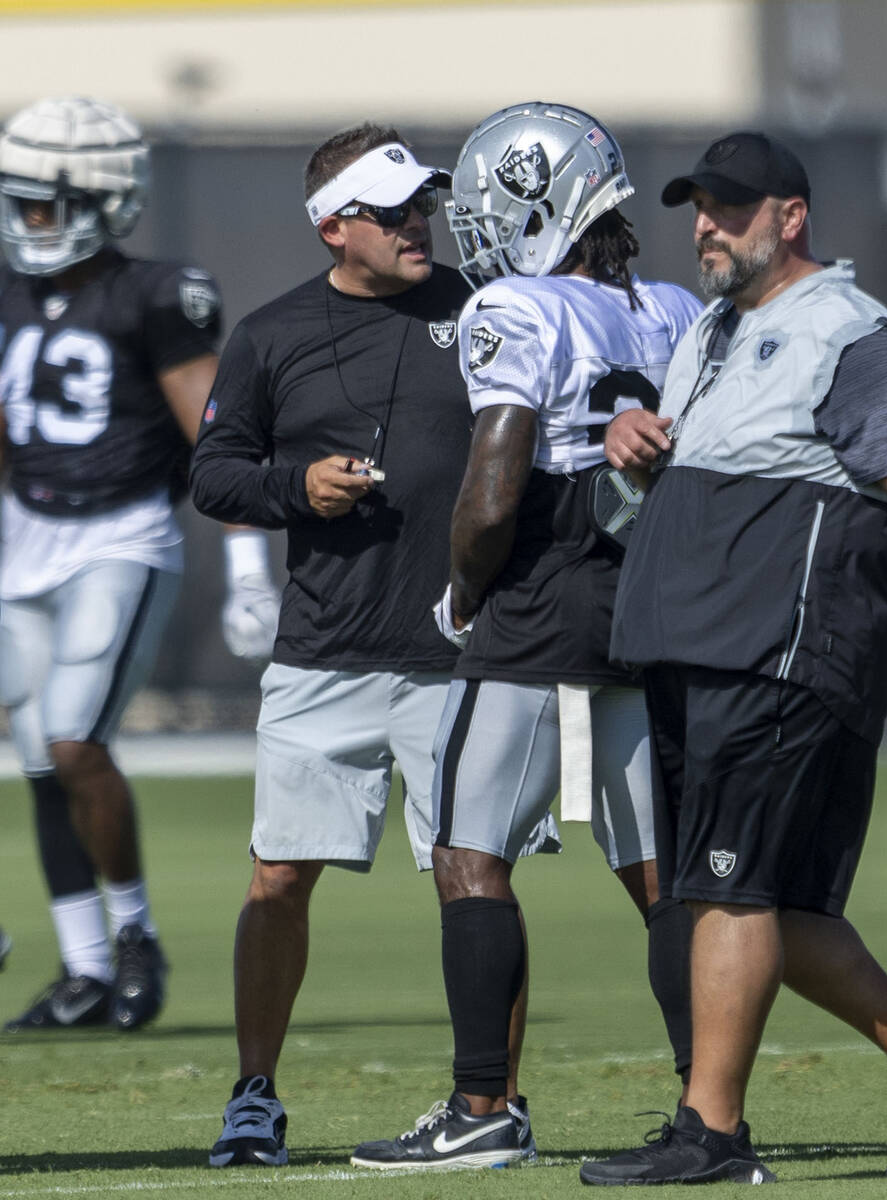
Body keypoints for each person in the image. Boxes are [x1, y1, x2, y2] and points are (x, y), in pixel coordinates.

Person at [191, 121, 555, 1169]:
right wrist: (291, 489)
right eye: (392, 212)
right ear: (331, 227)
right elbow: (214, 470)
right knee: (276, 880)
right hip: (323, 654)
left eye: (422, 207)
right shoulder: (269, 334)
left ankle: (493, 1102)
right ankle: (254, 1095)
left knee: (477, 878)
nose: (418, 225)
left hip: (465, 659)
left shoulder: (485, 311)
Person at [351, 101, 702, 1172]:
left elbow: (494, 485)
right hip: (648, 598)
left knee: (466, 854)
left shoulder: (516, 305)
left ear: (533, 201)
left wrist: (465, 590)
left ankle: (481, 1107)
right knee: (659, 876)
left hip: (543, 593)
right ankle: (710, 1108)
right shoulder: (676, 307)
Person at [580, 131, 887, 1186]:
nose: (705, 225)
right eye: (696, 207)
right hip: (695, 649)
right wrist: (630, 439)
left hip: (777, 651)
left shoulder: (845, 329)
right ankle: (707, 1127)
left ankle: (710, 1134)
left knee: (728, 892)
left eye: (729, 207)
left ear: (789, 217)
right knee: (781, 907)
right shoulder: (706, 331)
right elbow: (672, 483)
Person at [0, 95, 279, 1033]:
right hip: (24, 533)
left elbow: (216, 438)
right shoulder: (7, 290)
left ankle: (132, 939)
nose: (24, 219)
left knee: (76, 743)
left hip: (120, 537)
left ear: (100, 198)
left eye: (42, 201)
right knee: (41, 760)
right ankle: (80, 970)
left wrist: (249, 573)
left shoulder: (159, 292)